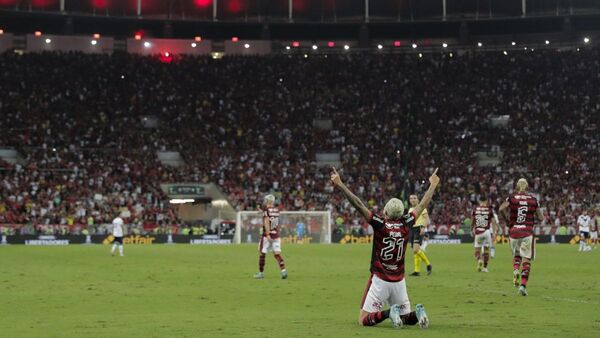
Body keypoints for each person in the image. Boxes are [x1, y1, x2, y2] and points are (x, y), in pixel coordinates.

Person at [331, 167, 440, 329]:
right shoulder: (406, 222)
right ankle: (418, 313)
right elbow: (423, 204)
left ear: (386, 211)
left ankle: (389, 313)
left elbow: (358, 204)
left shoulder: (379, 223)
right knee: (406, 318)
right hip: (399, 281)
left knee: (363, 319)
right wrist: (433, 185)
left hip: (380, 280)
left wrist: (340, 184)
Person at [499, 178, 545, 296]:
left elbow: (501, 209)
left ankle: (515, 269)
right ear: (527, 187)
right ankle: (523, 287)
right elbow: (541, 218)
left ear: (517, 187)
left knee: (517, 255)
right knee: (526, 259)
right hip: (527, 232)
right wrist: (533, 219)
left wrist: (507, 221)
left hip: (514, 232)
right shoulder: (533, 200)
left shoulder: (512, 198)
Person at [254, 194, 287, 279]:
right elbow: (269, 214)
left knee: (262, 253)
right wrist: (261, 210)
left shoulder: (266, 211)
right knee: (277, 254)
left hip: (267, 236)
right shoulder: (277, 210)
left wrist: (268, 234)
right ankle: (283, 271)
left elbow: (266, 222)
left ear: (267, 201)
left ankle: (261, 273)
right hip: (276, 235)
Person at [471, 194, 499, 272]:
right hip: (487, 231)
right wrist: (494, 233)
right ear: (486, 201)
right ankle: (485, 268)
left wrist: (471, 229)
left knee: (477, 251)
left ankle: (479, 260)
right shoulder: (489, 209)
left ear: (479, 201)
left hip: (478, 231)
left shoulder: (475, 209)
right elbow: (493, 222)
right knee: (486, 250)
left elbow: (472, 221)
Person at [408, 194, 432, 276]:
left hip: (419, 229)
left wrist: (423, 227)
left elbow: (427, 220)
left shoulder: (422, 208)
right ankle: (416, 271)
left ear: (418, 200)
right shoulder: (410, 209)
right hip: (412, 230)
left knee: (415, 249)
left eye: (414, 198)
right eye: (411, 198)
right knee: (415, 252)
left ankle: (428, 264)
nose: (413, 200)